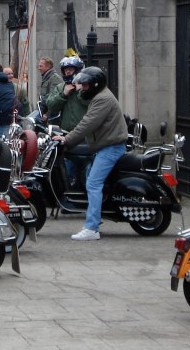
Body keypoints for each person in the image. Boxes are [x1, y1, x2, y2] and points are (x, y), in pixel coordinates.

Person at [51, 67, 128, 242]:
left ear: (95, 84)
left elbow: (88, 123)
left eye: (85, 85)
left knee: (93, 183)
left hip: (111, 147)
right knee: (89, 177)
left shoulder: (102, 99)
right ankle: (96, 217)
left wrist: (67, 139)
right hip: (106, 145)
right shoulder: (100, 96)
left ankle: (92, 228)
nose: (82, 88)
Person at [44, 55, 88, 186]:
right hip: (67, 135)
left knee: (86, 171)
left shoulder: (86, 87)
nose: (68, 72)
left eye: (71, 69)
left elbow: (93, 104)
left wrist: (81, 92)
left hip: (86, 136)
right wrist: (63, 94)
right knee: (67, 169)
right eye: (65, 70)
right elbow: (51, 105)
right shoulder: (60, 87)